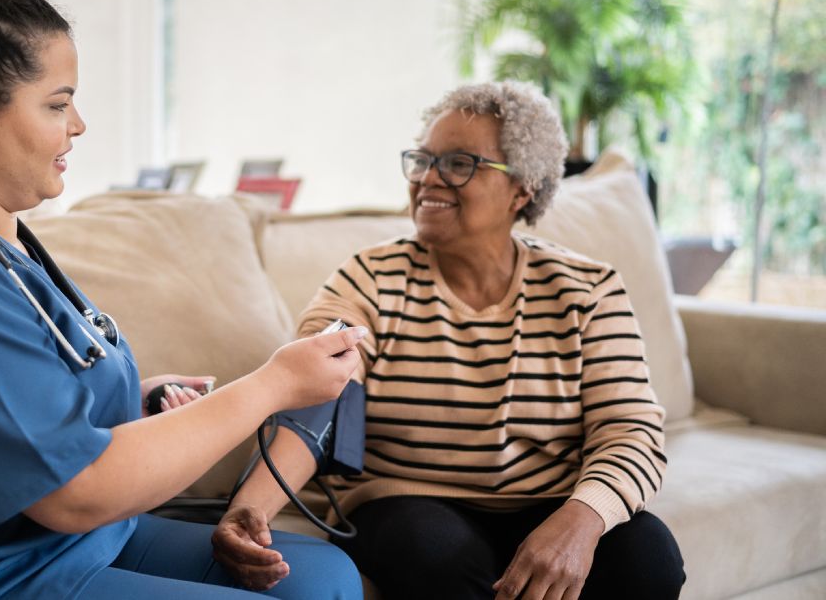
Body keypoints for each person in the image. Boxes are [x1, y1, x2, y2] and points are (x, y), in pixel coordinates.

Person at [0, 0, 366, 598]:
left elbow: (27, 402)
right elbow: (76, 492)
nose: (79, 126)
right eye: (57, 103)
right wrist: (274, 386)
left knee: (325, 578)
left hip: (53, 547)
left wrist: (139, 399)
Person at [213, 81, 686, 599]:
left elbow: (630, 427)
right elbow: (314, 392)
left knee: (650, 556)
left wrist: (582, 518)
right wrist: (251, 508)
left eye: (459, 163)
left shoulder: (587, 290)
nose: (428, 178)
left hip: (549, 496)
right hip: (408, 501)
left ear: (522, 187)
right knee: (436, 554)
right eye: (422, 160)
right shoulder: (371, 278)